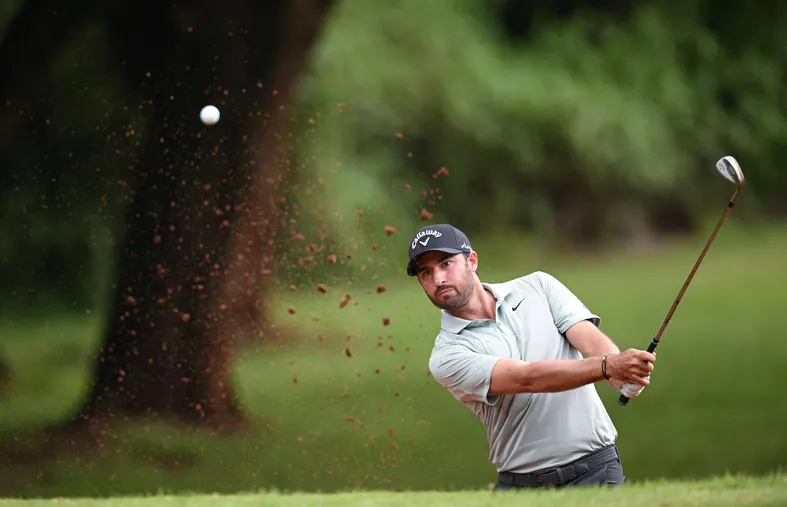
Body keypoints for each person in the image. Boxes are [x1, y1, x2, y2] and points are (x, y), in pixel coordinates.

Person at [406, 223, 656, 490]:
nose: (438, 279)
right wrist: (608, 367)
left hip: (596, 469)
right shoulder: (446, 355)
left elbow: (590, 340)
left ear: (472, 261)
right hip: (523, 485)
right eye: (426, 272)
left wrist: (620, 373)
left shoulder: (538, 286)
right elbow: (528, 378)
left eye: (446, 264)